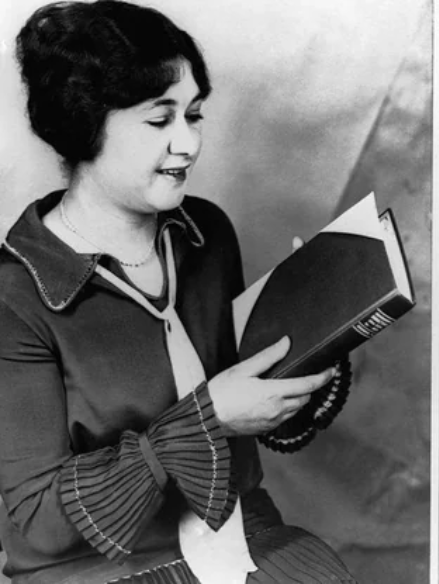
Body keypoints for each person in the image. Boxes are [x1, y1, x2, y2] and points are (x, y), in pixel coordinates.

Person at [0, 1, 356, 582]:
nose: (188, 143)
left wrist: (311, 331)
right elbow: (38, 520)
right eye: (160, 120)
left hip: (239, 532)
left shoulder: (208, 234)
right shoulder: (13, 292)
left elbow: (253, 415)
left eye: (194, 115)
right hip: (100, 569)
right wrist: (210, 419)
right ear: (85, 121)